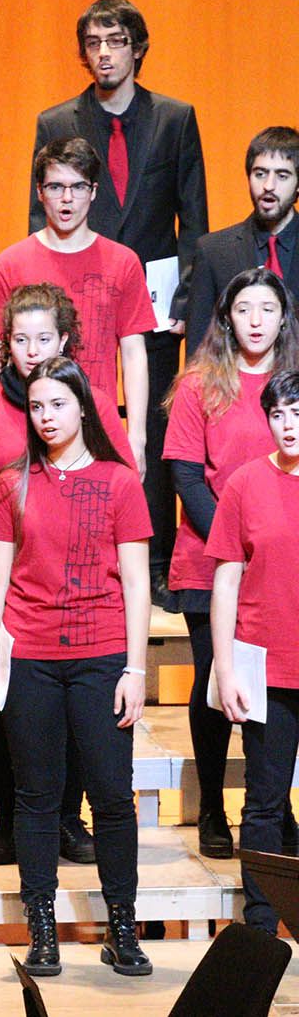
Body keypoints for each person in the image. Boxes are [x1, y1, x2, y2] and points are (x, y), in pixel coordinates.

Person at [0, 283, 135, 867]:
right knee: (6, 706)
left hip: (77, 588)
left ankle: (67, 820)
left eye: (42, 338)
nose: (30, 350)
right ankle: (11, 820)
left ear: (65, 340)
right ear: (6, 345)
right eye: (20, 339)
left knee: (75, 717)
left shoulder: (88, 400)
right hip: (0, 581)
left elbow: (116, 485)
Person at [0, 356, 153, 979]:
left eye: (58, 404)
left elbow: (136, 581)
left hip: (102, 656)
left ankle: (122, 926)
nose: (47, 417)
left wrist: (135, 668)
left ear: (84, 407)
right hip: (32, 658)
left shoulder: (119, 481)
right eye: (38, 406)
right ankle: (42, 926)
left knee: (110, 796)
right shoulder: (11, 481)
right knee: (36, 796)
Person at [32, 0, 207, 606]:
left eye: (115, 40)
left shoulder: (175, 118)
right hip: (74, 298)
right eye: (94, 43)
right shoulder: (57, 122)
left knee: (153, 424)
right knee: (77, 412)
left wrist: (189, 292)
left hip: (156, 299)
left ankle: (154, 559)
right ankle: (79, 551)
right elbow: (39, 217)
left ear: (137, 47)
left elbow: (195, 218)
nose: (104, 52)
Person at [162, 268, 298, 857]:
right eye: (244, 310)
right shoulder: (199, 385)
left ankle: (274, 804)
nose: (256, 322)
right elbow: (185, 473)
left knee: (283, 693)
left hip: (278, 558)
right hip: (209, 558)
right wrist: (236, 534)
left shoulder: (293, 386)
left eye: (267, 310)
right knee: (215, 681)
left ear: (283, 317)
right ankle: (215, 805)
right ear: (226, 318)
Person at [0, 138, 154, 473]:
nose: (67, 199)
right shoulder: (10, 264)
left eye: (77, 187)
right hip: (26, 424)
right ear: (39, 191)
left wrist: (136, 437)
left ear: (93, 192)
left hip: (96, 425)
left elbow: (133, 352)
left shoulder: (123, 263)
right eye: (56, 186)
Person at [207, 369, 299, 935]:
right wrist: (224, 665)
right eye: (279, 414)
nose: (288, 426)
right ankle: (261, 923)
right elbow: (224, 581)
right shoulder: (244, 483)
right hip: (268, 665)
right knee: (264, 801)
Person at [174, 127, 299, 355]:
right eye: (260, 173)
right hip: (233, 386)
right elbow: (200, 350)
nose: (268, 186)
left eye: (282, 175)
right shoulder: (213, 251)